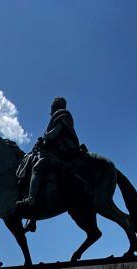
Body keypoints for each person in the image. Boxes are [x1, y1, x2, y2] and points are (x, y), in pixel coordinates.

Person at [15, 96, 88, 230]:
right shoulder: (61, 116)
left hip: (62, 150)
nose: (51, 109)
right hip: (57, 149)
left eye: (52, 106)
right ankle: (33, 217)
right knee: (33, 161)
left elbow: (55, 133)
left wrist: (45, 138)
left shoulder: (61, 115)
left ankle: (30, 199)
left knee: (37, 168)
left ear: (56, 105)